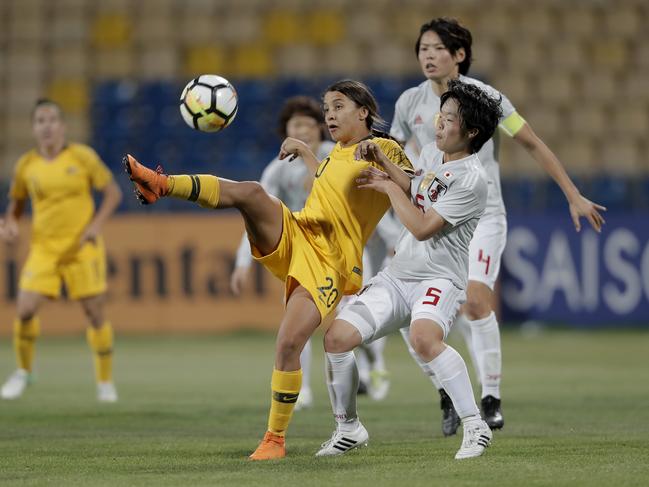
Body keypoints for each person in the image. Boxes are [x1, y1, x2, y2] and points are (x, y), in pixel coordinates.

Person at [123, 79, 413, 460]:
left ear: (364, 112)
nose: (329, 114)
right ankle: (159, 184)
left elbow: (414, 187)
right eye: (327, 107)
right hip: (299, 231)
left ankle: (275, 439)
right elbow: (329, 186)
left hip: (330, 262)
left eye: (338, 106)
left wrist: (384, 161)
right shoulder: (336, 155)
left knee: (289, 342)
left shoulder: (382, 147)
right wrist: (308, 153)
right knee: (252, 193)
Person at [390, 17, 607, 434]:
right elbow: (398, 150)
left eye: (437, 49)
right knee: (405, 305)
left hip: (481, 214)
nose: (428, 56)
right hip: (433, 213)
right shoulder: (409, 103)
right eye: (422, 49)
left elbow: (531, 142)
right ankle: (447, 392)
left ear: (459, 56)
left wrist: (572, 194)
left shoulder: (486, 100)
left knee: (474, 301)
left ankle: (490, 397)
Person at [317, 79, 500, 460]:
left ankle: (475, 425)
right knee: (336, 339)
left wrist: (387, 188)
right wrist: (386, 165)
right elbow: (418, 187)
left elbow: (420, 225)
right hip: (398, 276)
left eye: (449, 119)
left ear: (471, 132)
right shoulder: (434, 153)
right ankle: (348, 427)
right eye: (441, 115)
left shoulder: (472, 180)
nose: (439, 123)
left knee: (423, 339)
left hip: (439, 279)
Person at [230, 96, 392, 410]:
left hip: (347, 251)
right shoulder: (277, 170)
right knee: (297, 321)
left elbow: (373, 194)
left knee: (357, 319)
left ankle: (375, 365)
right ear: (286, 132)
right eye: (295, 125)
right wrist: (242, 263)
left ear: (319, 127)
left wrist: (390, 235)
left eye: (307, 123)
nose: (302, 130)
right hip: (305, 254)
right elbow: (254, 214)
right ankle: (302, 388)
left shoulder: (338, 156)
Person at [0, 98, 123, 402]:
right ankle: (24, 371)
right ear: (33, 128)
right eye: (40, 121)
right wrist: (11, 224)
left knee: (94, 313)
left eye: (52, 120)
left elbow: (113, 193)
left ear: (62, 126)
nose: (46, 126)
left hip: (83, 246)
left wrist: (96, 225)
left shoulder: (82, 157)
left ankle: (105, 382)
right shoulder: (27, 165)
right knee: (26, 309)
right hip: (45, 248)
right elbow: (15, 206)